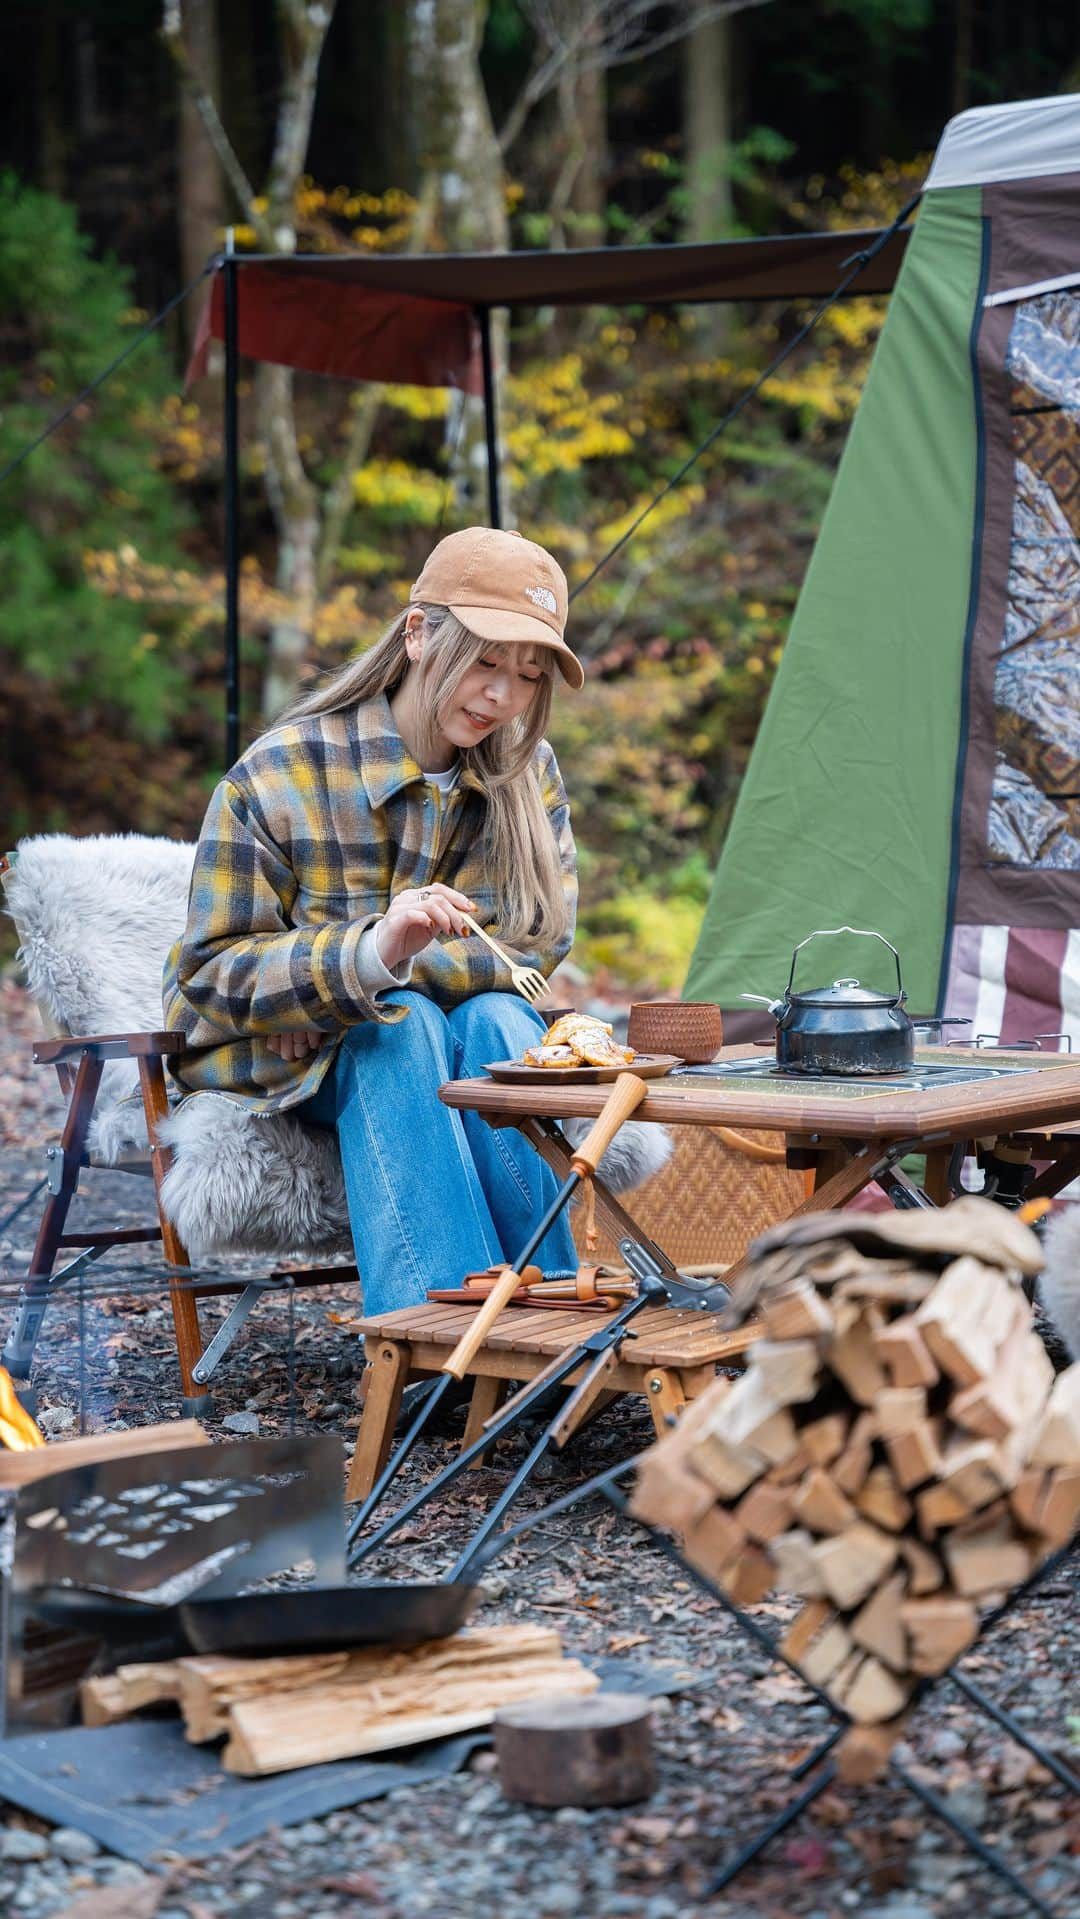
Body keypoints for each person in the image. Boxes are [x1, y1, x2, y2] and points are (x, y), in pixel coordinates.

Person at [163, 526, 584, 1316]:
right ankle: (434, 1338)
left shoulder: (528, 774)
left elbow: (535, 942)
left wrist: (346, 984)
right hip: (287, 1069)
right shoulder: (280, 771)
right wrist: (363, 963)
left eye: (529, 675)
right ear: (419, 635)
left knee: (498, 1017)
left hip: (394, 1034)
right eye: (487, 660)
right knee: (402, 1027)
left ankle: (553, 1321)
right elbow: (212, 969)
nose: (503, 695)